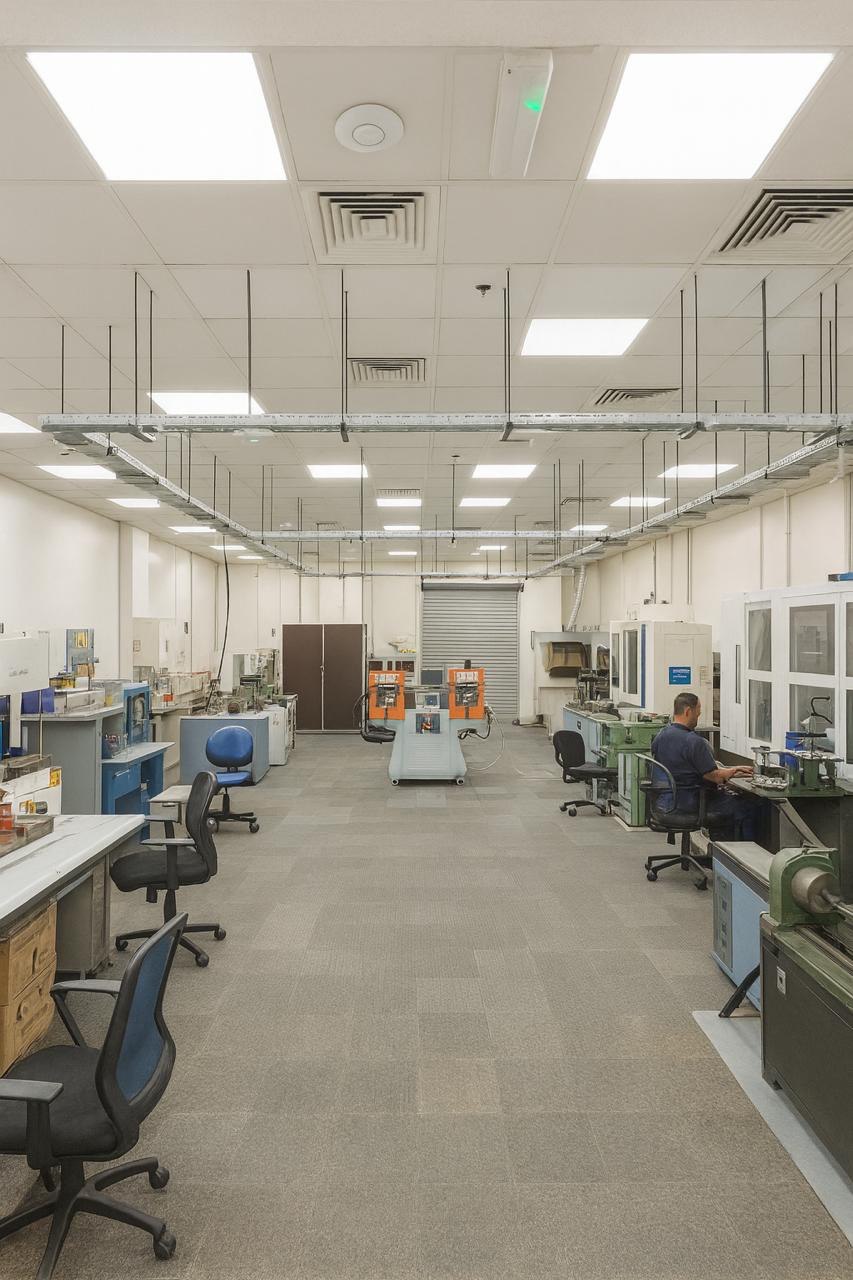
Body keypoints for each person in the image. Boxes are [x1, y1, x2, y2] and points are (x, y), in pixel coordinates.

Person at [650, 691, 755, 836]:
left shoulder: (660, 735)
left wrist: (727, 769)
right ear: (688, 711)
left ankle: (718, 853)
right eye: (698, 712)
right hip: (689, 803)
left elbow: (682, 766)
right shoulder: (693, 741)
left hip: (665, 802)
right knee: (749, 807)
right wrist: (732, 771)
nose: (698, 717)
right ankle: (740, 856)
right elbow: (716, 777)